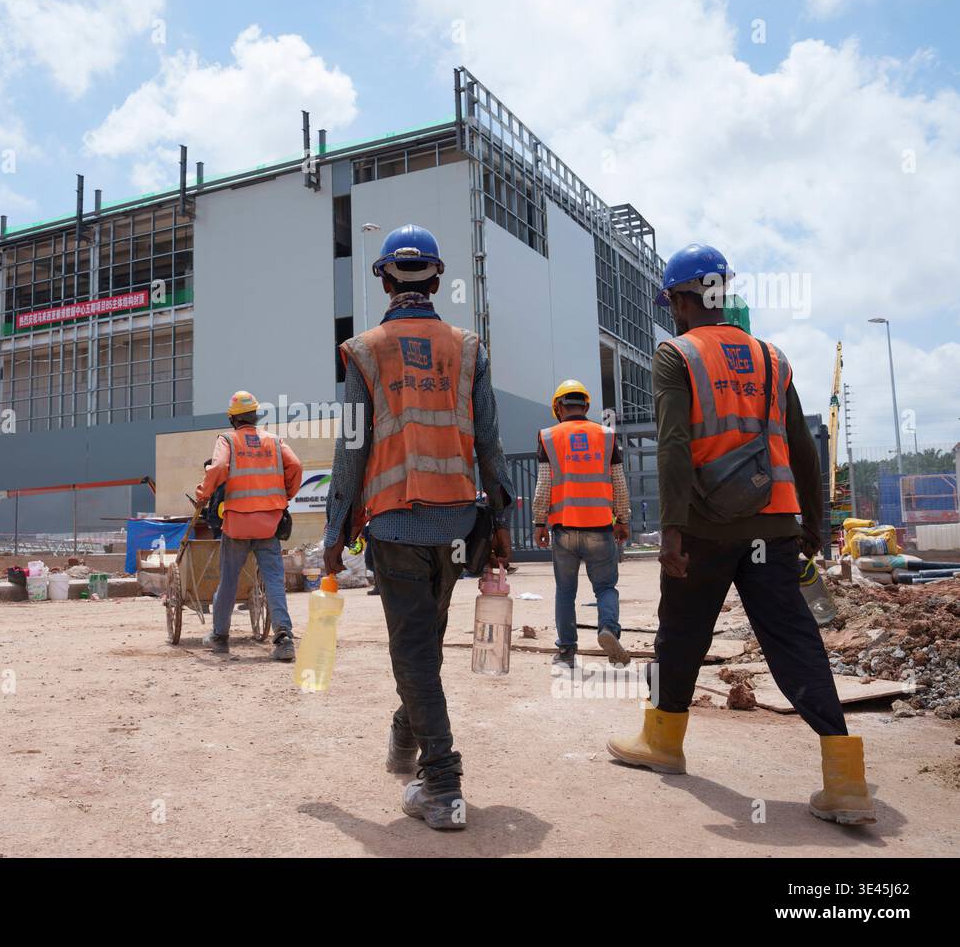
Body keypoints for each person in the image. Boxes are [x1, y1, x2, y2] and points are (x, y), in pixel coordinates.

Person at [606, 243, 875, 825]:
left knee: (681, 634)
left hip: (704, 529)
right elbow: (802, 446)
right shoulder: (772, 359)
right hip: (774, 525)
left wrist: (672, 531)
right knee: (794, 641)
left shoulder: (676, 354)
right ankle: (846, 779)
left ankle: (664, 741)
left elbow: (675, 446)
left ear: (678, 300)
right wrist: (814, 523)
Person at [323, 224, 514, 831]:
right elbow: (489, 440)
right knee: (423, 646)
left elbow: (351, 449)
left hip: (397, 525)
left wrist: (334, 532)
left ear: (383, 278)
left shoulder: (365, 350)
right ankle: (406, 743)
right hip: (459, 523)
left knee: (413, 650)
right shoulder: (468, 347)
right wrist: (501, 521)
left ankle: (442, 781)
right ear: (435, 278)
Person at [195, 391, 303, 661]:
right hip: (269, 523)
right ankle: (284, 638)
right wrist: (284, 496)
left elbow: (218, 466)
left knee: (229, 581)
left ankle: (220, 637)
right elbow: (296, 466)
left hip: (238, 523)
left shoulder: (228, 440)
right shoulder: (274, 441)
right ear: (255, 416)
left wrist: (203, 494)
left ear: (233, 419)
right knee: (274, 580)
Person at [532, 379, 631, 669]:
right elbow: (619, 484)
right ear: (586, 405)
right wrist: (622, 519)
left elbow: (543, 486)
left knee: (565, 591)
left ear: (558, 408)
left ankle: (566, 651)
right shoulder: (606, 435)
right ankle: (608, 630)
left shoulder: (548, 436)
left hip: (564, 530)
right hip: (600, 528)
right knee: (605, 588)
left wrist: (539, 523)